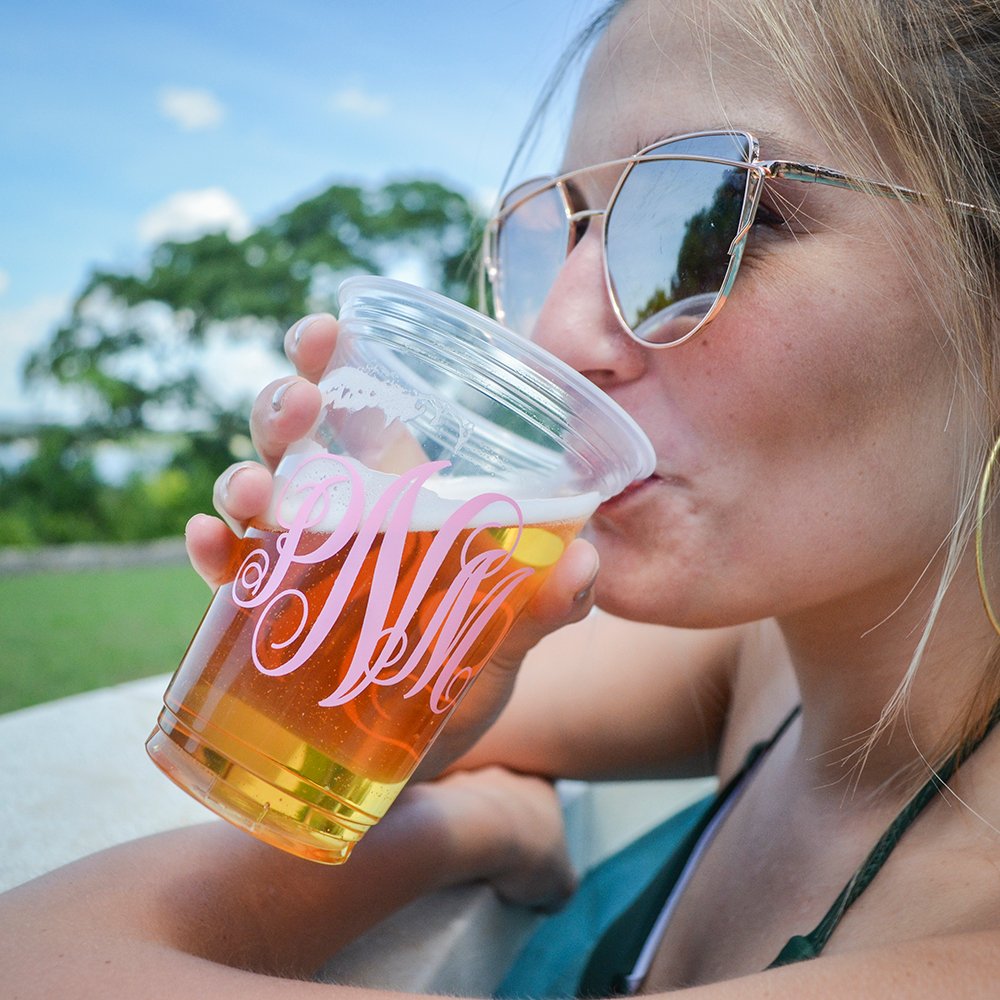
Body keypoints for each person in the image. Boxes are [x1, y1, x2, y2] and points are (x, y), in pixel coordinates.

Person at [6, 0, 1000, 994]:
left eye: (702, 217)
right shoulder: (767, 670)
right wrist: (449, 774)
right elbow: (344, 743)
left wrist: (449, 835)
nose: (558, 337)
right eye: (555, 235)